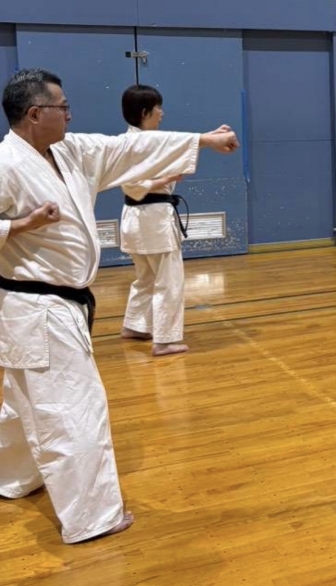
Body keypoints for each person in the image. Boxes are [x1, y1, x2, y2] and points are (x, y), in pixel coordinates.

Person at [0, 69, 239, 544]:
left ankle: (15, 478)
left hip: (46, 307)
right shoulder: (5, 164)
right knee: (72, 407)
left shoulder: (69, 152)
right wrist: (20, 225)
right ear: (34, 114)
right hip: (37, 305)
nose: (70, 113)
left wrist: (202, 140)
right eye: (62, 106)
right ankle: (92, 516)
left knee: (23, 398)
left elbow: (129, 148)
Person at [118, 84, 190, 356]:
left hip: (136, 219)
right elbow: (133, 185)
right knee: (168, 279)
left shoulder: (131, 141)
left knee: (146, 277)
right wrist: (168, 178)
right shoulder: (139, 144)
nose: (162, 113)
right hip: (152, 219)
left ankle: (135, 325)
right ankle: (165, 339)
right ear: (145, 112)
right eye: (158, 108)